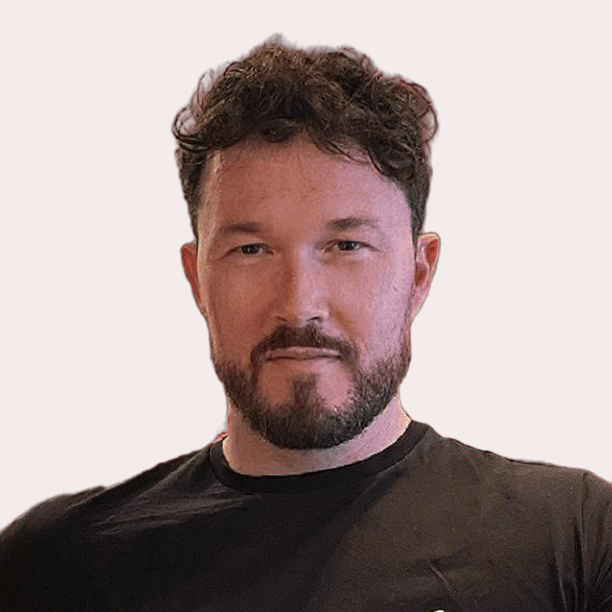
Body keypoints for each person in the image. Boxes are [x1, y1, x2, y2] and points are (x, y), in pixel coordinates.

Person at [1, 37, 610, 612]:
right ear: (197, 278)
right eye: (251, 250)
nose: (298, 305)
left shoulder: (575, 540)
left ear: (419, 273)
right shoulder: (55, 567)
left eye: (346, 246)